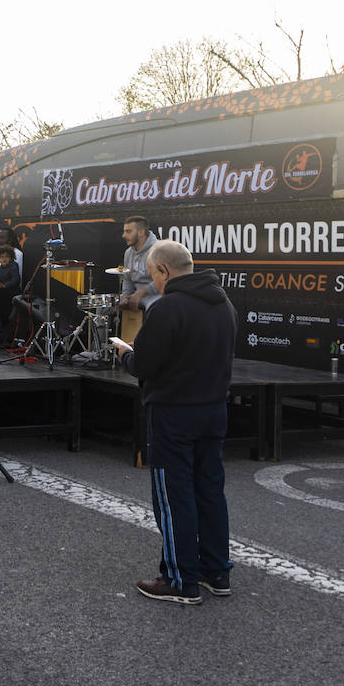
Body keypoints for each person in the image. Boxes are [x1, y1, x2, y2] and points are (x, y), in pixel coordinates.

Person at [111, 240, 236, 605]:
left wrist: (125, 354)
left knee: (173, 495)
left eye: (152, 275)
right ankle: (216, 572)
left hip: (174, 413)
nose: (155, 283)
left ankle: (180, 580)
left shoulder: (168, 309)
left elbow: (144, 366)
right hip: (214, 410)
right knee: (210, 490)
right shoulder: (224, 303)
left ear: (163, 271)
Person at [120, 215, 161, 312]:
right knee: (105, 308)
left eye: (128, 231)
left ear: (141, 232)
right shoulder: (128, 253)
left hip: (156, 295)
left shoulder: (158, 250)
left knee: (153, 308)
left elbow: (161, 280)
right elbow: (127, 279)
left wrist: (140, 293)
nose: (124, 235)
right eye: (124, 231)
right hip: (135, 295)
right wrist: (125, 296)